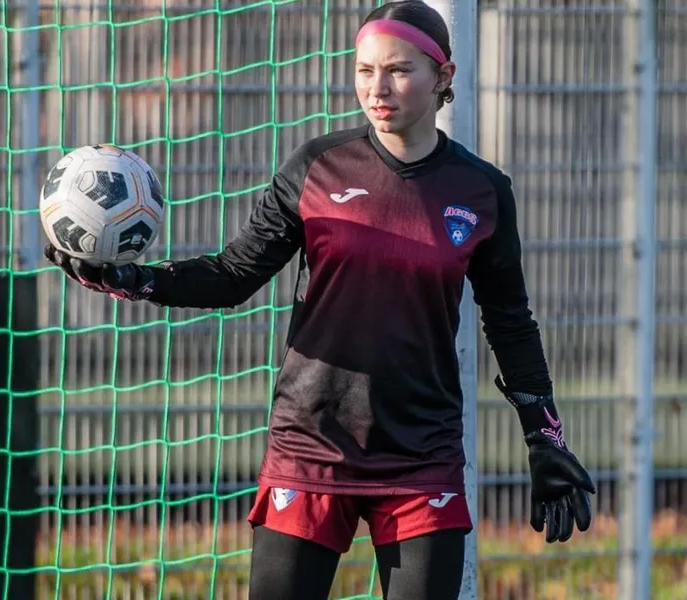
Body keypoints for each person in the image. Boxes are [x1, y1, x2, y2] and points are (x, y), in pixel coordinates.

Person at [45, 1, 596, 598]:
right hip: (310, 447)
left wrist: (545, 437)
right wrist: (135, 280)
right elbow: (234, 274)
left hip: (421, 456)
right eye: (364, 70)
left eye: (398, 70)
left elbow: (510, 323)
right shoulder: (318, 167)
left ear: (444, 77)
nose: (377, 88)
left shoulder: (483, 191)